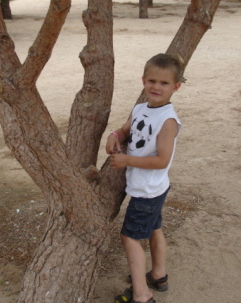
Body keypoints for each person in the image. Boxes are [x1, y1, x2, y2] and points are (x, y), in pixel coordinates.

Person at [106, 53, 183, 303]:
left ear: (176, 86)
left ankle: (141, 294)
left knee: (129, 236)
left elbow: (162, 160)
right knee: (154, 228)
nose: (156, 87)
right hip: (151, 188)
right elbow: (128, 130)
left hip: (147, 190)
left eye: (164, 83)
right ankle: (159, 275)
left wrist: (127, 160)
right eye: (152, 81)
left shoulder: (168, 121)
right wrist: (115, 134)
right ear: (143, 81)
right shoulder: (140, 108)